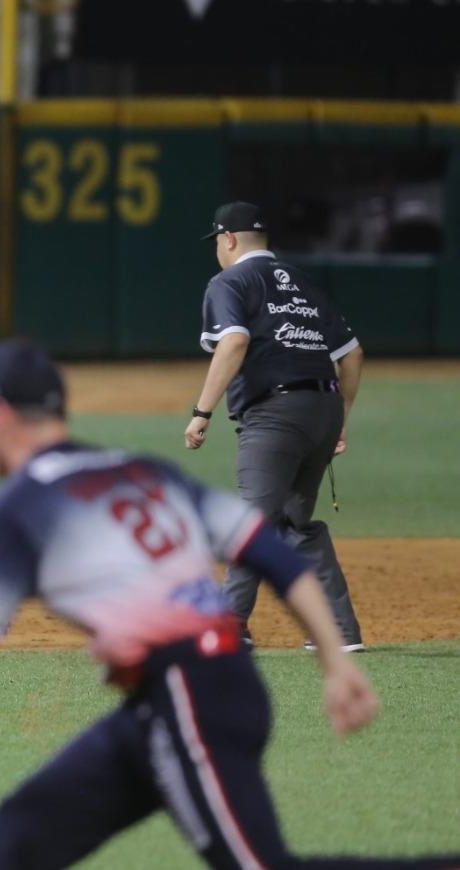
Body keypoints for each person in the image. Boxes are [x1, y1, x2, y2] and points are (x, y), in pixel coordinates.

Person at [0, 339, 460, 870]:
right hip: (170, 702)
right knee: (21, 834)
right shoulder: (142, 469)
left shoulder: (21, 506)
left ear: (1, 415)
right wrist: (336, 664)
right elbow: (269, 549)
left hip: (192, 696)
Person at [185, 202, 365, 652]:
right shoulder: (305, 282)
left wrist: (202, 412)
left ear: (228, 240)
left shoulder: (230, 282)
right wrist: (340, 415)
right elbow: (352, 354)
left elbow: (234, 341)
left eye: (218, 243)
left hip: (274, 416)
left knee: (251, 523)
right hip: (323, 407)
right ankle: (339, 632)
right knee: (296, 522)